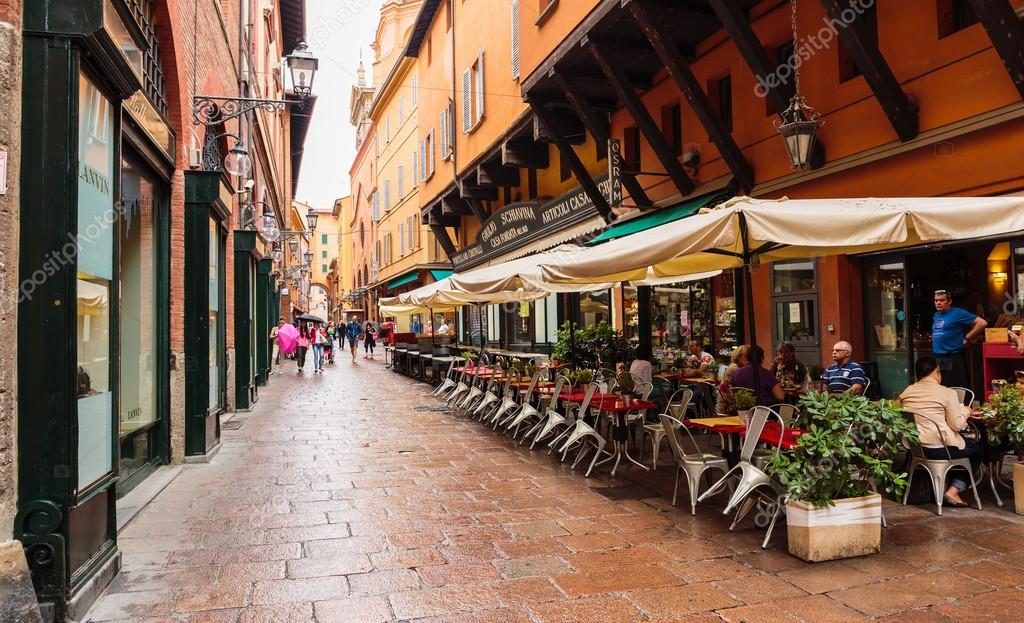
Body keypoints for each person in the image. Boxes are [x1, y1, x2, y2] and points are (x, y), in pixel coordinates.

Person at [900, 355, 983, 508]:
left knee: (962, 446)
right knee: (977, 451)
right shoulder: (947, 392)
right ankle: (953, 491)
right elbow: (957, 425)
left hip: (916, 448)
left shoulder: (907, 391)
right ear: (937, 371)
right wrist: (966, 411)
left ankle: (943, 488)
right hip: (939, 449)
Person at [932, 290, 987, 388]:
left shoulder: (957, 313)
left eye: (942, 300)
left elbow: (982, 323)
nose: (938, 303)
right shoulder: (937, 315)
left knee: (958, 386)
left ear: (949, 301)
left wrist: (967, 337)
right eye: (936, 300)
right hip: (941, 356)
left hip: (953, 355)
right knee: (944, 384)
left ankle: (963, 403)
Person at [717, 345, 750, 414]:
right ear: (739, 356)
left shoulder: (733, 366)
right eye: (746, 356)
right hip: (729, 406)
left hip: (726, 401)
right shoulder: (735, 368)